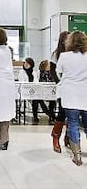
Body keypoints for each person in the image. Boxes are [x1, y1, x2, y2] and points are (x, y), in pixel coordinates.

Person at [56, 30, 87, 166]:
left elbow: (59, 72)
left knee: (73, 123)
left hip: (70, 94)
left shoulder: (64, 56)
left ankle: (77, 156)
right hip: (85, 93)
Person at [50, 31, 71, 153]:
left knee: (72, 113)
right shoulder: (57, 54)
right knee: (62, 112)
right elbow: (52, 71)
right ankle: (55, 136)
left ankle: (68, 137)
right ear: (62, 40)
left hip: (74, 87)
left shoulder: (75, 53)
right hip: (63, 87)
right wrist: (59, 82)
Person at [38, 59, 56, 124]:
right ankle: (48, 112)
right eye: (48, 65)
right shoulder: (40, 73)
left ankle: (51, 116)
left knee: (52, 101)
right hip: (42, 91)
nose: (50, 66)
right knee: (38, 99)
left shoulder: (53, 72)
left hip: (51, 91)